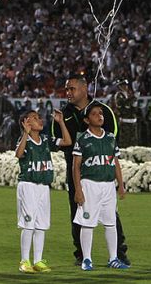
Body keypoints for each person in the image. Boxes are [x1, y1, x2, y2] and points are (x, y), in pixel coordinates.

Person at [50, 74, 129, 265]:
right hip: (76, 168)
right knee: (77, 210)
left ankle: (118, 253)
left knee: (111, 215)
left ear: (84, 89)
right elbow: (59, 141)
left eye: (72, 88)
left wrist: (120, 183)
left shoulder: (104, 111)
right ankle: (82, 254)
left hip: (102, 169)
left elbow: (111, 138)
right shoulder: (62, 113)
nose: (68, 92)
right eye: (67, 89)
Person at [72, 103, 129, 271]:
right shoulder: (82, 138)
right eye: (95, 114)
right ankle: (87, 259)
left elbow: (116, 162)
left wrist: (121, 185)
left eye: (101, 113)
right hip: (90, 185)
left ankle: (113, 258)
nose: (100, 116)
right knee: (88, 223)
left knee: (111, 223)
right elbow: (76, 166)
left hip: (108, 186)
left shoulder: (110, 137)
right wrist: (78, 189)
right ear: (86, 119)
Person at [15, 109, 72, 274]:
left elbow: (67, 141)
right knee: (28, 224)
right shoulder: (23, 140)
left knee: (41, 225)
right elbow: (19, 154)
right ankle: (24, 261)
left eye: (39, 117)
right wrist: (25, 134)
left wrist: (61, 122)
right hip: (28, 185)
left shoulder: (46, 139)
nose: (39, 120)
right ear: (26, 123)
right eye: (34, 118)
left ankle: (38, 261)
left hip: (43, 187)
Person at [113, 79, 140, 147]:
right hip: (125, 121)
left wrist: (134, 105)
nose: (126, 87)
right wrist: (134, 98)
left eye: (126, 85)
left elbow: (131, 106)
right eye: (123, 85)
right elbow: (123, 104)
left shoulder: (128, 94)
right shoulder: (119, 95)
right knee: (125, 141)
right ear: (120, 86)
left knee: (133, 141)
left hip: (132, 120)